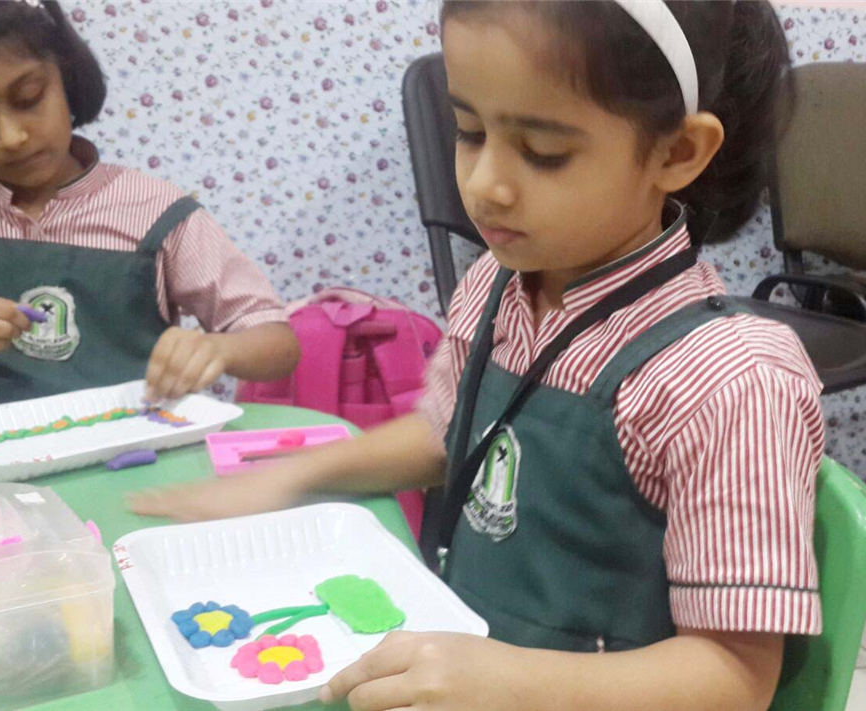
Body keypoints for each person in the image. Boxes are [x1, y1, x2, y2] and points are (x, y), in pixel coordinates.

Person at [132, 1, 823, 709]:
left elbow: (736, 677)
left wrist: (509, 682)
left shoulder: (728, 377)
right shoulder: (497, 284)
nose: (485, 184)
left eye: (543, 151)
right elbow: (447, 434)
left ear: (677, 153)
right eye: (468, 131)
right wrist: (290, 477)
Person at [0, 0, 299, 411]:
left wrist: (218, 349)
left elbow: (277, 344)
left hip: (135, 453)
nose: (11, 137)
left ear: (66, 74)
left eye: (29, 97)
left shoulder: (156, 213)